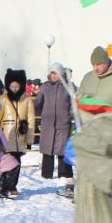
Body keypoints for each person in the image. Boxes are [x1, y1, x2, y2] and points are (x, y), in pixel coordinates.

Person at [35, 63, 76, 197]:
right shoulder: (45, 87)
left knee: (63, 150)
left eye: (56, 73)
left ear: (61, 74)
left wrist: (70, 115)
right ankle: (47, 174)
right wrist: (41, 115)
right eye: (52, 73)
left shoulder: (68, 86)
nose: (54, 75)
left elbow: (76, 102)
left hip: (63, 124)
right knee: (48, 149)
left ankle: (65, 175)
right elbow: (38, 103)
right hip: (48, 124)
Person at [0, 68, 35, 197]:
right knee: (9, 164)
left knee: (17, 163)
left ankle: (12, 186)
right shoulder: (3, 99)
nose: (14, 89)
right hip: (7, 135)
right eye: (12, 86)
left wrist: (29, 139)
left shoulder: (26, 99)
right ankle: (1, 188)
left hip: (20, 136)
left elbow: (30, 119)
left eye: (17, 86)